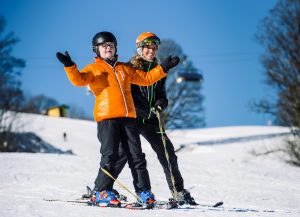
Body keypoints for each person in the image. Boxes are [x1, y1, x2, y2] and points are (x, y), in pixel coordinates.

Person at [56, 31, 179, 207]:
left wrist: (164, 67)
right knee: (110, 155)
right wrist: (70, 66)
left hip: (129, 117)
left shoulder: (125, 68)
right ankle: (101, 191)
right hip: (107, 118)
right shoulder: (93, 69)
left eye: (111, 45)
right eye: (104, 46)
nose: (108, 48)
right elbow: (79, 80)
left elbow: (146, 79)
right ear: (96, 50)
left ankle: (144, 192)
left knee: (137, 156)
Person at [112, 32, 197, 205]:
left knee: (168, 153)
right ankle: (104, 188)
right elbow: (127, 95)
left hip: (152, 119)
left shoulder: (160, 72)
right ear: (139, 49)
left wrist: (160, 104)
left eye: (154, 47)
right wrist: (142, 109)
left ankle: (178, 191)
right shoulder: (130, 69)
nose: (151, 51)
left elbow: (162, 96)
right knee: (123, 154)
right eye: (148, 47)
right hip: (134, 118)